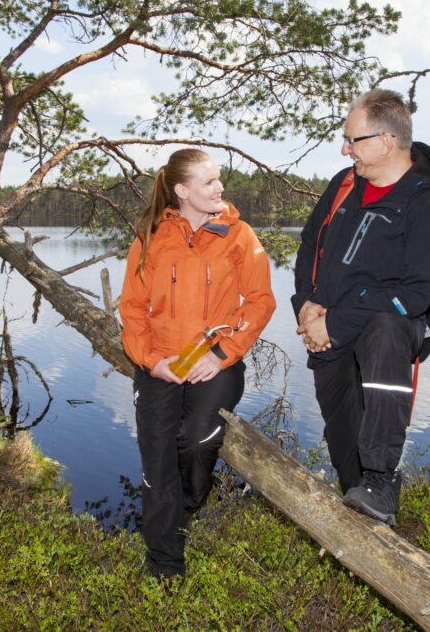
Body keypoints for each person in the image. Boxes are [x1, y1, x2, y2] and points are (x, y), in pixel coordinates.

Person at [291, 89, 430, 527]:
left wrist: (337, 321)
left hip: (383, 335)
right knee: (345, 448)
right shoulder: (345, 185)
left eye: (353, 139)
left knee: (387, 328)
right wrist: (306, 306)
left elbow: (413, 296)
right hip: (327, 331)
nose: (346, 149)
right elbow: (311, 244)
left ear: (385, 140)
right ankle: (367, 509)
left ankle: (383, 478)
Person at [119, 148, 276, 579]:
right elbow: (132, 309)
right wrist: (153, 361)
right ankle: (165, 566)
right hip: (162, 363)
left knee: (197, 441)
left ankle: (187, 506)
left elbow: (261, 300)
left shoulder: (238, 234)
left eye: (219, 180)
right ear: (182, 190)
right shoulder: (150, 237)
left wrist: (223, 353)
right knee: (157, 463)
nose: (220, 188)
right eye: (209, 182)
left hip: (217, 363)